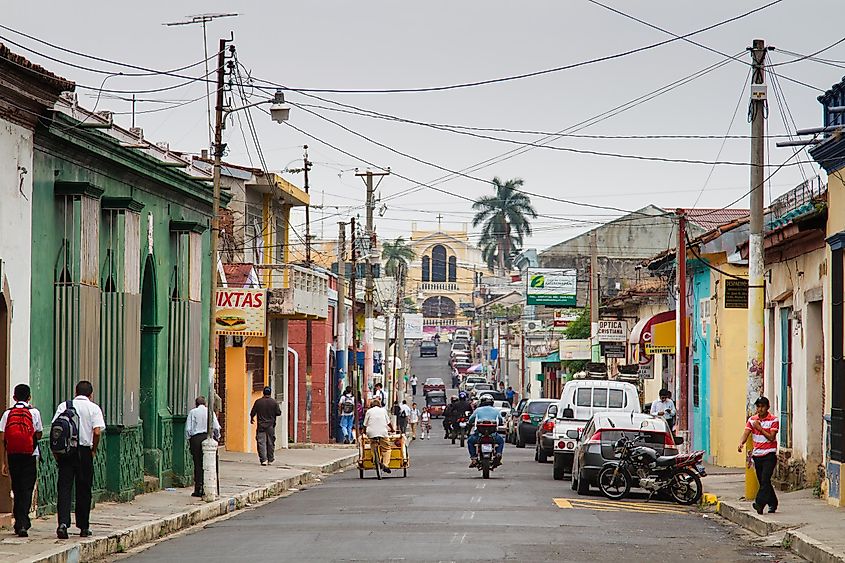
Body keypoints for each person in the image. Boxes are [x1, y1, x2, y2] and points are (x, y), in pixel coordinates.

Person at [51, 380, 106, 539]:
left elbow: (56, 429)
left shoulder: (64, 406)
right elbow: (96, 432)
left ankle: (62, 524)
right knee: (84, 489)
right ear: (91, 394)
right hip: (84, 452)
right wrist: (93, 450)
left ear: (75, 392)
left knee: (64, 488)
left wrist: (57, 452)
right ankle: (83, 526)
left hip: (67, 451)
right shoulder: (94, 408)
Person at [0, 384, 42, 537]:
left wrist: (3, 462)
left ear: (14, 397)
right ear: (29, 397)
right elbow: (38, 434)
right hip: (30, 455)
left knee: (16, 488)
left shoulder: (7, 414)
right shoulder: (34, 412)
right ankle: (23, 522)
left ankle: (19, 521)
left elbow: (3, 438)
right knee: (27, 488)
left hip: (12, 455)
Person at [738, 396, 779, 514]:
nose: (760, 409)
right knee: (763, 482)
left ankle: (759, 504)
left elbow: (771, 438)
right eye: (758, 406)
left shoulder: (773, 420)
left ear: (767, 407)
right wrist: (741, 443)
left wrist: (760, 429)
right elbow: (746, 433)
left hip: (769, 455)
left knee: (765, 479)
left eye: (763, 407)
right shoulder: (752, 420)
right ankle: (773, 503)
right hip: (757, 455)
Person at [185, 396, 220, 498]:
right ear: (205, 404)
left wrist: (190, 439)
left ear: (196, 404)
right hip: (208, 436)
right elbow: (216, 427)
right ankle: (210, 486)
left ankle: (198, 488)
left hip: (196, 438)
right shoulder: (210, 412)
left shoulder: (193, 412)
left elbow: (188, 429)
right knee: (210, 464)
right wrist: (216, 438)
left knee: (198, 463)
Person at [467, 394, 505, 467]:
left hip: (479, 436)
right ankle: (498, 453)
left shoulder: (477, 410)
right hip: (493, 436)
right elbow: (500, 420)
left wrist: (469, 423)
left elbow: (471, 419)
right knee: (501, 441)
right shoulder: (496, 410)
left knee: (470, 441)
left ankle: (474, 459)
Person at [250, 386, 282, 465]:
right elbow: (278, 413)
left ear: (263, 393)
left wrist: (252, 418)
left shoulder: (258, 402)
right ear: (270, 393)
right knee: (270, 442)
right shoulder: (274, 402)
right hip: (270, 425)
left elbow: (253, 412)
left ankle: (263, 459)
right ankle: (270, 459)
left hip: (261, 425)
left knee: (261, 442)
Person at [362, 398, 394, 473]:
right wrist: (392, 429)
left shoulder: (369, 411)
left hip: (371, 432)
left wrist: (364, 432)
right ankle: (385, 464)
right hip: (383, 432)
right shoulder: (383, 410)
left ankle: (375, 459)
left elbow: (365, 424)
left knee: (373, 445)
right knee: (387, 448)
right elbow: (388, 422)